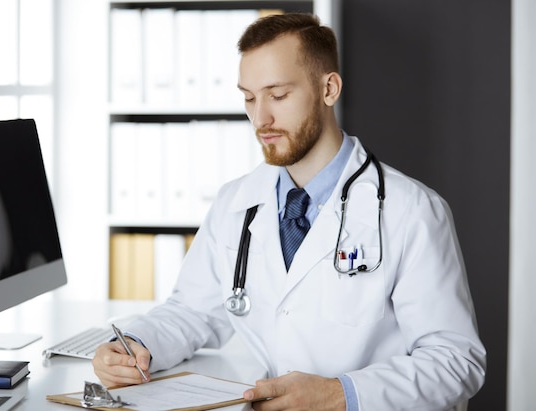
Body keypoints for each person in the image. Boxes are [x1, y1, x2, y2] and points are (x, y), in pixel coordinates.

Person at [93, 13, 486, 410]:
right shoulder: (236, 203)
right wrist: (134, 346)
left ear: (329, 88)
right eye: (249, 97)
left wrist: (340, 394)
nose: (260, 118)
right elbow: (191, 312)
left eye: (277, 95)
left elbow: (455, 361)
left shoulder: (412, 211)